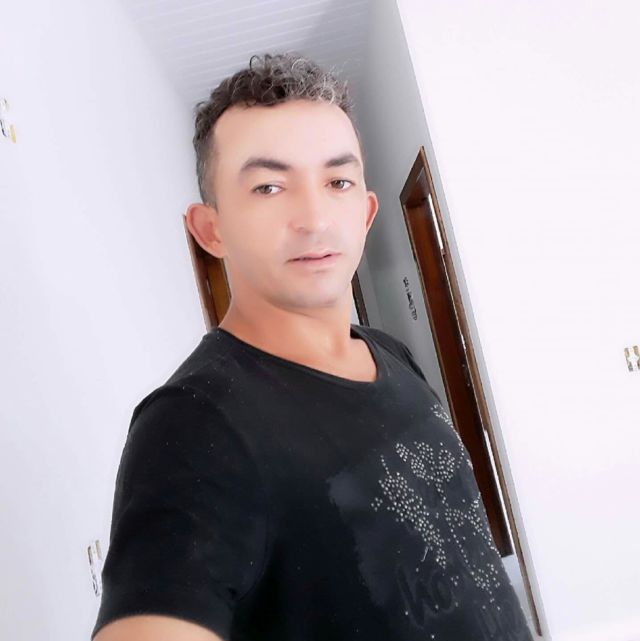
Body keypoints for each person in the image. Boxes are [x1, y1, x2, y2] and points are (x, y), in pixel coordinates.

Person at [91, 52, 534, 641]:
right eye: (269, 186)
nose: (314, 217)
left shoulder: (390, 354)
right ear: (210, 229)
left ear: (366, 212)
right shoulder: (195, 424)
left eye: (338, 181)